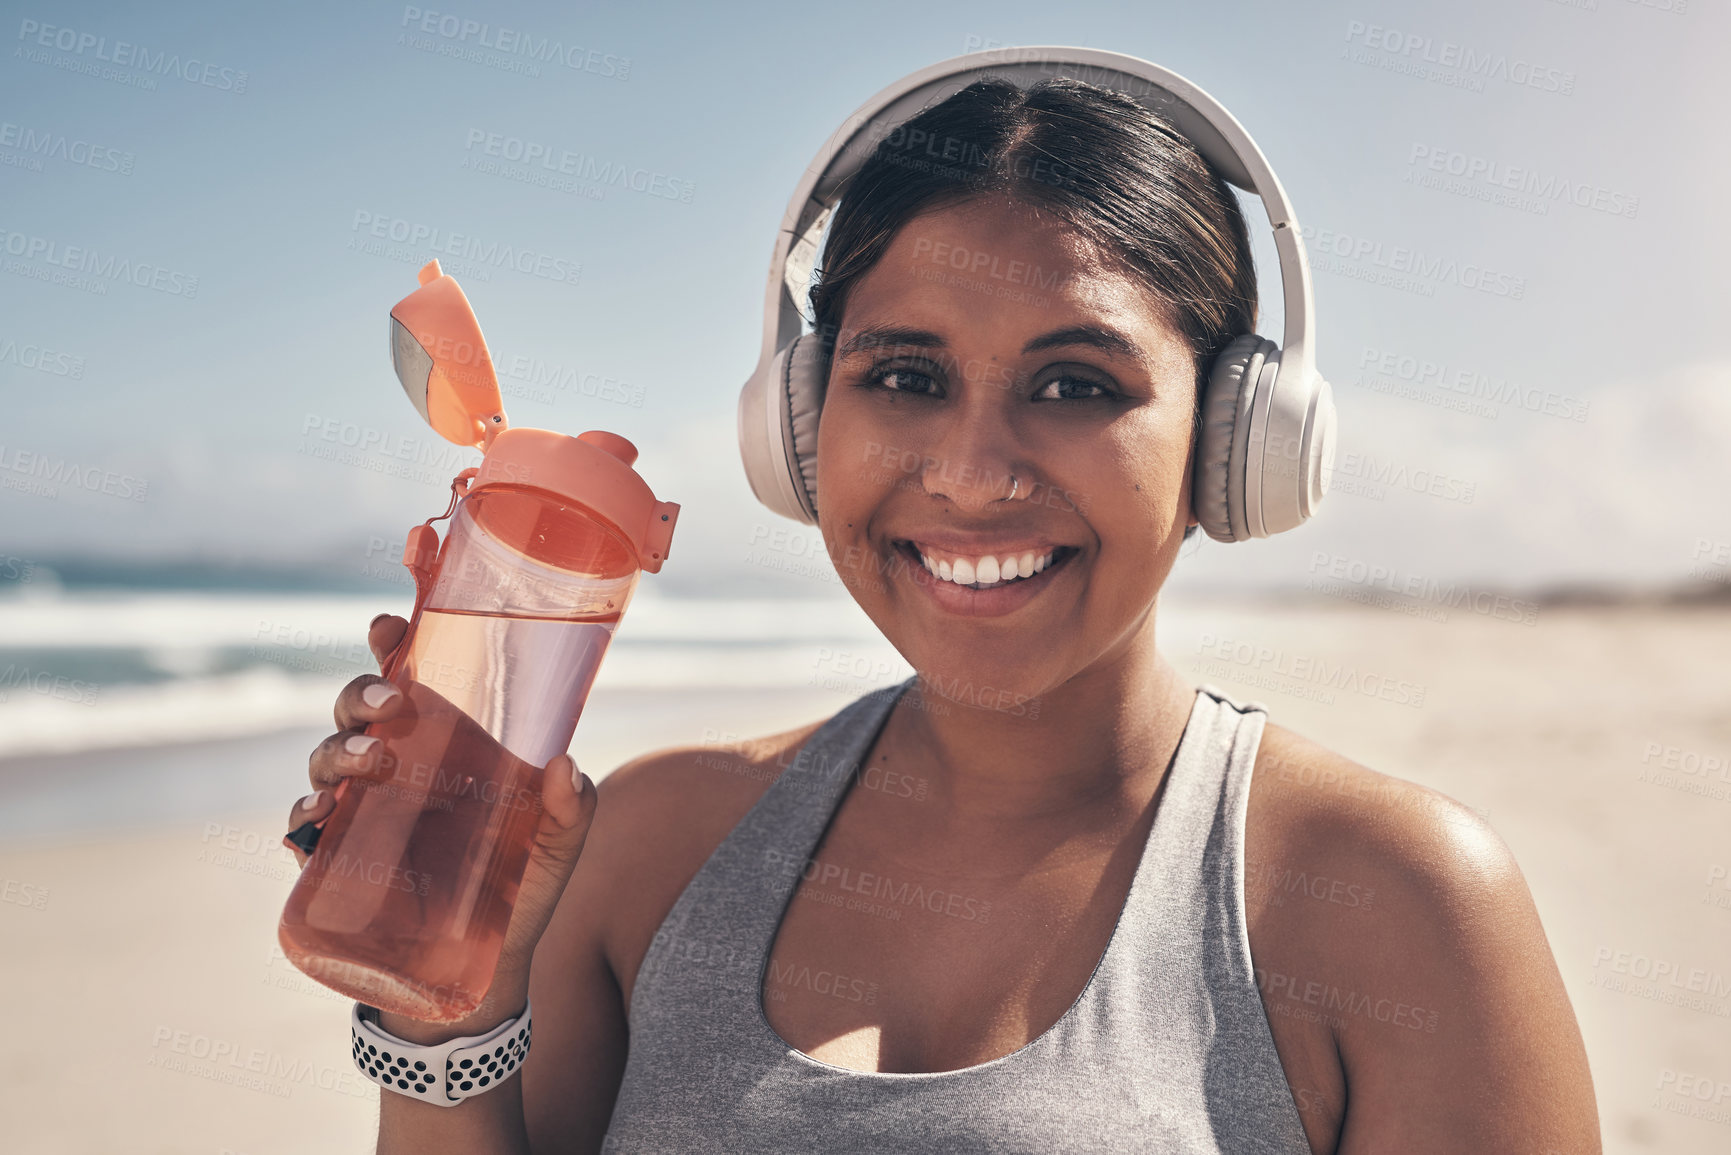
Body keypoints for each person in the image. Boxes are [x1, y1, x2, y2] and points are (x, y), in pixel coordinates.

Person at [285, 72, 1600, 1154]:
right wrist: (452, 998)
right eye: (904, 374)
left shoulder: (1393, 905)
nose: (973, 472)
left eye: (1078, 385)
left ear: (1234, 445)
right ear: (801, 428)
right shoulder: (642, 847)